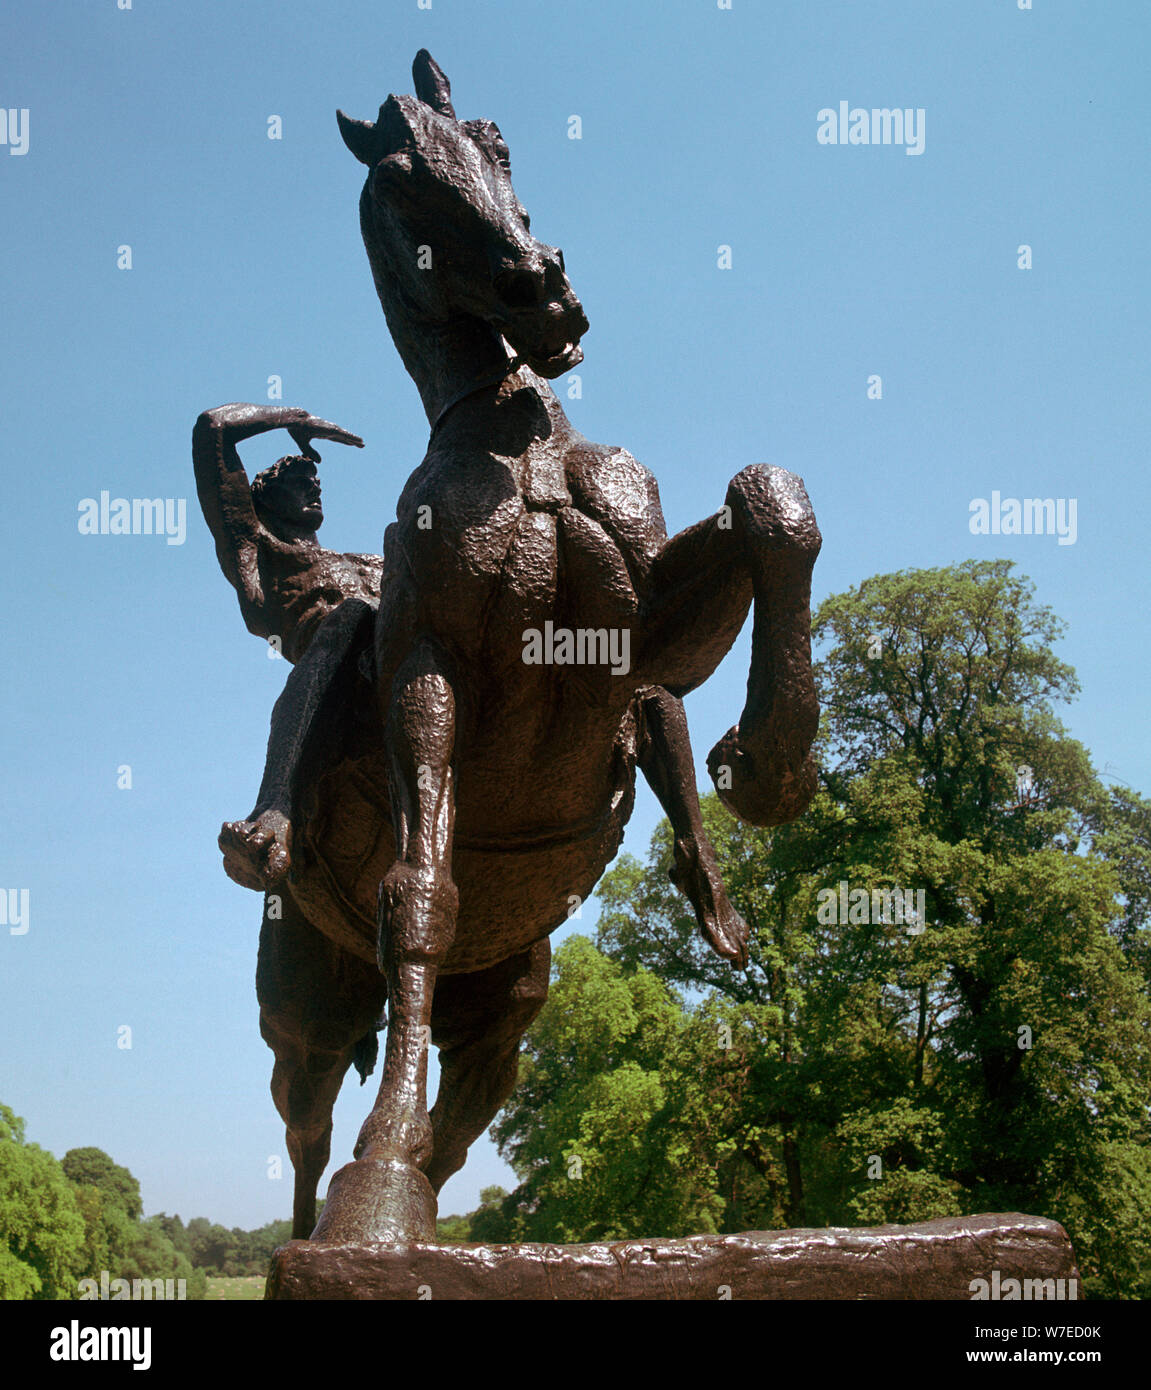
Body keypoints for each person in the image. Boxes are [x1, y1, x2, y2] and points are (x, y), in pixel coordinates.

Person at [193, 402, 748, 963]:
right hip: (343, 705)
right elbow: (213, 430)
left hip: (411, 679)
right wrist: (292, 418)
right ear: (263, 500)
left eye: (314, 479)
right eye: (295, 480)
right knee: (352, 618)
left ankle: (693, 844)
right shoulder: (264, 558)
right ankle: (275, 808)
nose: (313, 486)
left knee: (616, 650)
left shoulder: (363, 557)